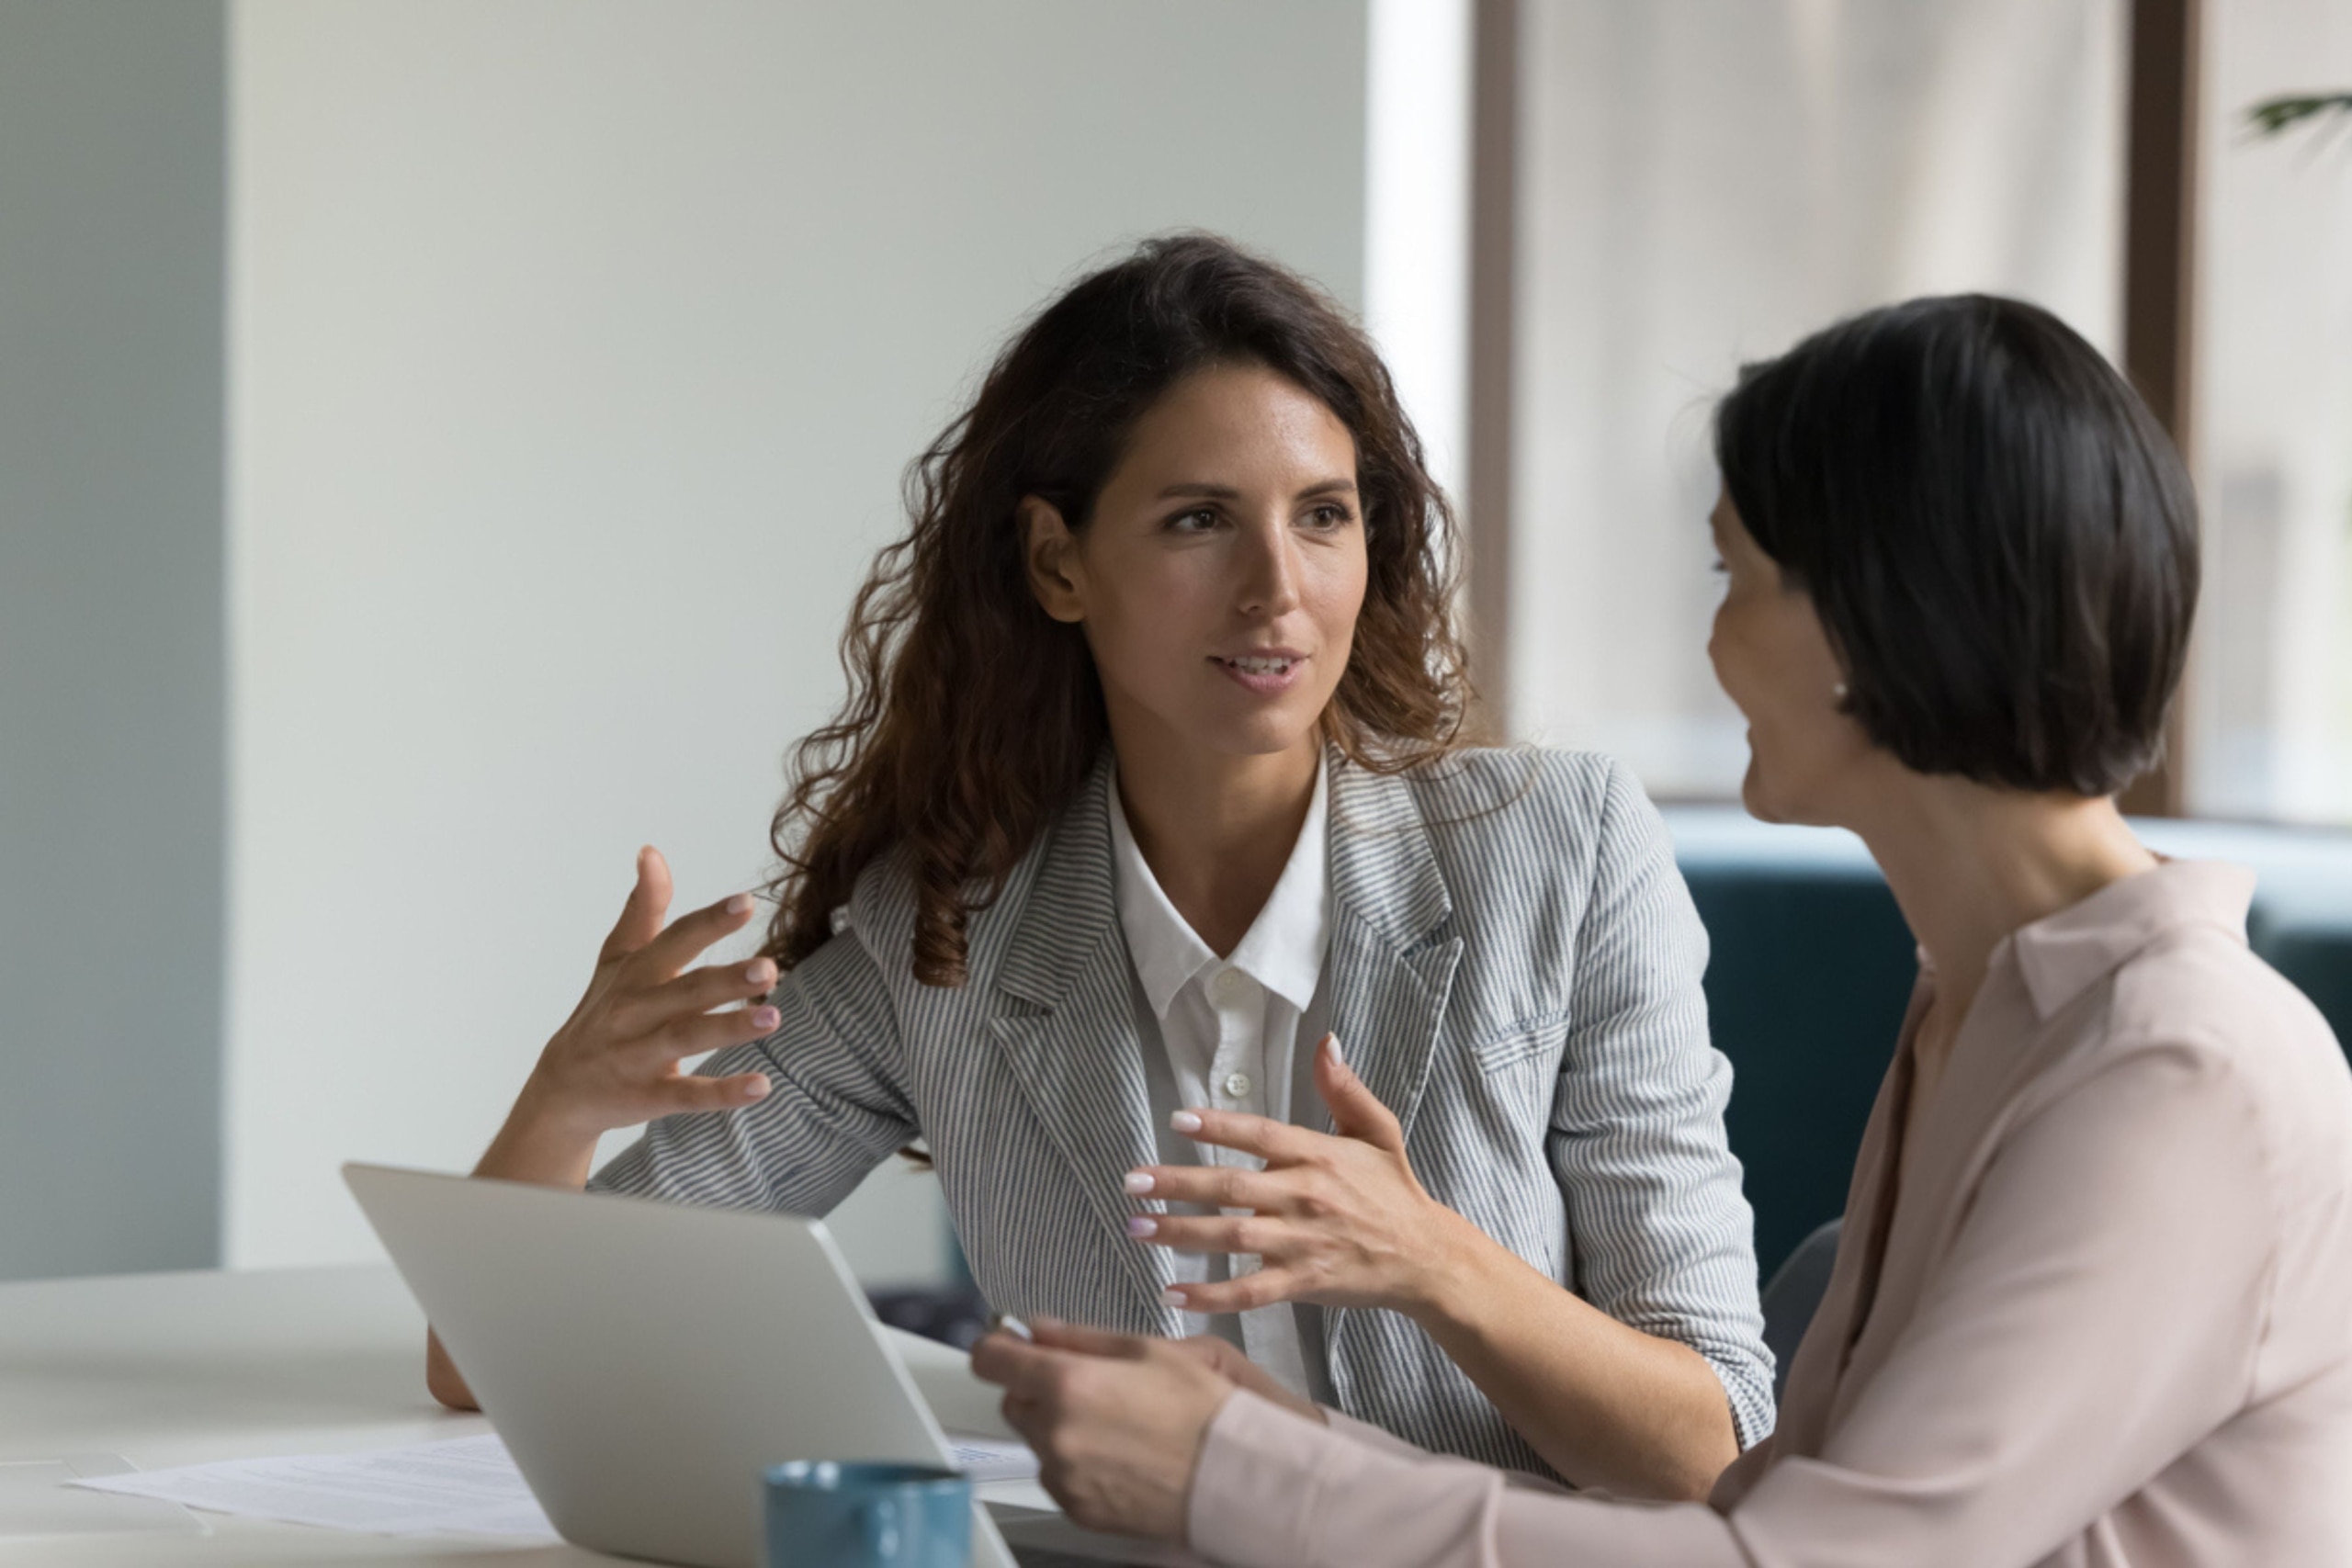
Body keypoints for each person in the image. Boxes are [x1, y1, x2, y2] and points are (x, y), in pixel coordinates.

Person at [970, 293, 2352, 1566]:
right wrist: (1268, 1436)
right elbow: (1775, 1508)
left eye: (1731, 578)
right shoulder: (1982, 1010)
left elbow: (1805, 1565)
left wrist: (1234, 1476)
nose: (1713, 647)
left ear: (1871, 623)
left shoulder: (2181, 1070)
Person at [424, 233, 1775, 1497]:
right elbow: (488, 1362)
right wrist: (563, 1101)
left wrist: (1440, 1268)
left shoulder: (1562, 850)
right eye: (1198, 521)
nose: (1277, 588)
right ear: (1057, 562)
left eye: (1323, 516)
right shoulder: (942, 935)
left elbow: (1717, 1448)